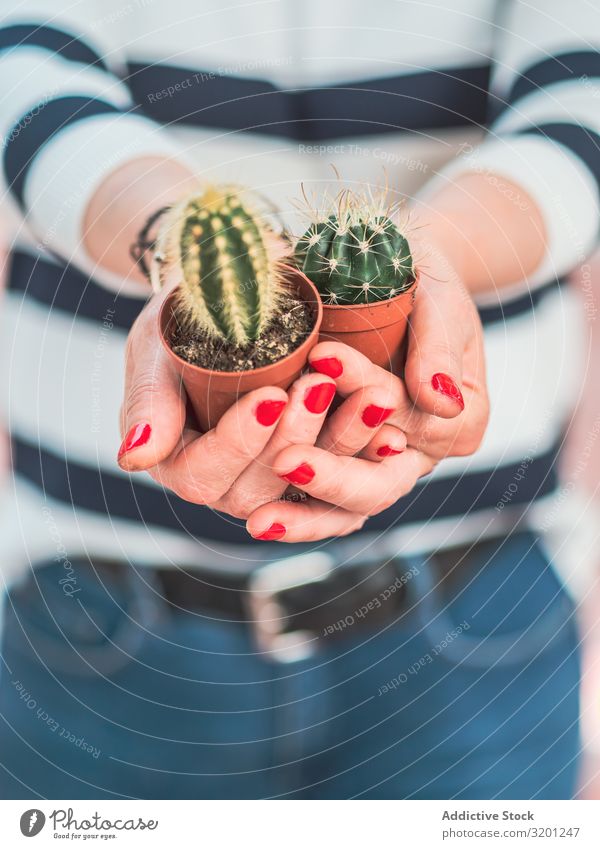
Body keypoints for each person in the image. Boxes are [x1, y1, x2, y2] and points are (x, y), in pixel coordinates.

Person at [0, 0, 597, 799]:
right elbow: (29, 76)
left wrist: (425, 266)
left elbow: (579, 104)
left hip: (479, 598)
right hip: (96, 602)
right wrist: (180, 246)